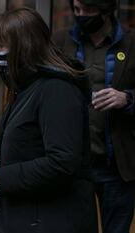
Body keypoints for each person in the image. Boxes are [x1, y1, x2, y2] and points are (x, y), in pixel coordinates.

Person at [0, 8, 97, 233]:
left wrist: (0, 176)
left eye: (2, 46)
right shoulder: (27, 86)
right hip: (29, 215)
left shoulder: (57, 90)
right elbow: (33, 141)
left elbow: (62, 162)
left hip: (50, 220)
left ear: (25, 48)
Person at [53, 1, 135, 232]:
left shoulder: (131, 42)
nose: (81, 16)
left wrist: (127, 98)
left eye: (88, 10)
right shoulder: (61, 40)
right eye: (76, 10)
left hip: (116, 164)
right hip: (74, 165)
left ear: (106, 9)